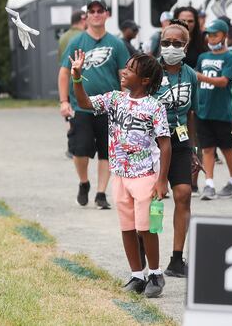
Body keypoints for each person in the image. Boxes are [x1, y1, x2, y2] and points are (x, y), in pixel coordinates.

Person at [70, 50, 171, 298]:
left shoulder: (154, 106)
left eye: (130, 69)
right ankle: (137, 275)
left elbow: (165, 144)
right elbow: (85, 103)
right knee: (127, 227)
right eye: (125, 67)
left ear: (145, 80)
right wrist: (77, 78)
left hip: (145, 176)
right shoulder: (115, 99)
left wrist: (161, 180)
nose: (124, 72)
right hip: (120, 176)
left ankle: (156, 274)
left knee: (146, 228)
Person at [59, 0, 131, 209]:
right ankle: (84, 182)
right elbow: (64, 72)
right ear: (87, 16)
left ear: (107, 15)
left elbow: (124, 74)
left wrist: (126, 99)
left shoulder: (116, 44)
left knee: (106, 151)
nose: (97, 14)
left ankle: (101, 193)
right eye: (92, 11)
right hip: (82, 105)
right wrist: (64, 101)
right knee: (80, 151)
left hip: (109, 106)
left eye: (101, 10)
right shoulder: (77, 42)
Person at [153, 20, 197, 277]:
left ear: (186, 46)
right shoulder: (150, 71)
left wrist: (194, 149)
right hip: (151, 143)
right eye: (166, 43)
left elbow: (192, 113)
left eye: (176, 43)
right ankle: (146, 260)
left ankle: (177, 259)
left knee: (183, 194)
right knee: (150, 200)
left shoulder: (189, 74)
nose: (170, 47)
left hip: (179, 142)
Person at [194, 18, 232, 200]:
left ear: (224, 36)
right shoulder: (203, 57)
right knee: (207, 149)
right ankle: (209, 184)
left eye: (215, 35)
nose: (211, 38)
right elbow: (196, 81)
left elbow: (223, 82)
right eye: (209, 35)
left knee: (226, 148)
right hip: (203, 110)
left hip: (221, 111)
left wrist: (201, 77)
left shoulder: (230, 57)